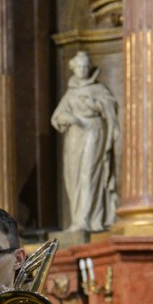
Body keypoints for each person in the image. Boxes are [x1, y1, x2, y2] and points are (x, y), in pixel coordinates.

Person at [50, 50, 119, 233]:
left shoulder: (98, 90)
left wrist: (94, 105)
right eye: (79, 67)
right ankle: (77, 217)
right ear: (73, 69)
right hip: (75, 136)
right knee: (73, 177)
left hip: (93, 131)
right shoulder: (71, 93)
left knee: (89, 174)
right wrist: (69, 118)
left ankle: (86, 219)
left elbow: (110, 106)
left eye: (85, 67)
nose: (82, 70)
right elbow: (57, 117)